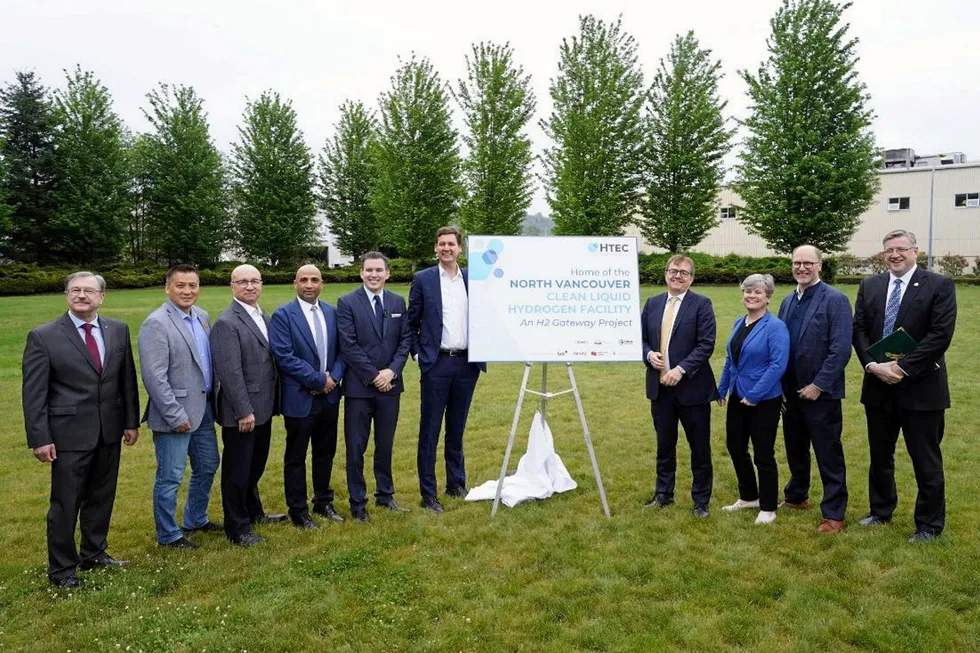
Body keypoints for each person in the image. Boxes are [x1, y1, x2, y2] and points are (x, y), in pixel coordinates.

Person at [22, 272, 140, 588]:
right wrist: (40, 437)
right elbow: (34, 393)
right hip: (67, 435)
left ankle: (94, 553)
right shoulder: (43, 336)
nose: (82, 295)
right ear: (66, 295)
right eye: (75, 290)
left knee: (101, 496)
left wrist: (130, 421)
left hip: (110, 430)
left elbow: (126, 380)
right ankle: (61, 569)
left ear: (102, 296)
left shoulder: (118, 330)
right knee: (65, 503)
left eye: (89, 290)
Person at [852, 229, 956, 543]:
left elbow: (940, 335)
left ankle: (929, 525)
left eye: (901, 249)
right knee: (880, 455)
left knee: (925, 459)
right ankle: (880, 511)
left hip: (921, 388)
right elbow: (859, 330)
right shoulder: (870, 285)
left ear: (915, 251)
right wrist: (872, 365)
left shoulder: (938, 285)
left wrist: (901, 367)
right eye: (889, 250)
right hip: (878, 386)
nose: (895, 255)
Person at [139, 264, 220, 549]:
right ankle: (168, 534)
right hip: (175, 414)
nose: (187, 291)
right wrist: (175, 416)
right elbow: (153, 376)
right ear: (167, 288)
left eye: (193, 285)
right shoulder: (156, 323)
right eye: (181, 285)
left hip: (204, 409)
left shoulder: (202, 317)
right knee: (171, 476)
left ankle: (196, 519)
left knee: (208, 464)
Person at [407, 226, 486, 513]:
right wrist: (419, 356)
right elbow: (410, 323)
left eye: (451, 244)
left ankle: (456, 483)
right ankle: (428, 493)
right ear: (435, 248)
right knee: (430, 430)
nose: (446, 248)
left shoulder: (472, 278)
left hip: (467, 364)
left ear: (459, 248)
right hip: (436, 364)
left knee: (456, 428)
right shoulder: (423, 280)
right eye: (441, 244)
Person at [210, 265, 287, 547]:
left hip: (263, 406)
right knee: (238, 471)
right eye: (242, 282)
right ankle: (237, 528)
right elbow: (229, 372)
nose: (250, 286)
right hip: (243, 412)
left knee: (255, 465)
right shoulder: (227, 323)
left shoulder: (260, 315)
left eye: (255, 281)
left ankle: (255, 513)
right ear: (232, 286)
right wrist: (243, 410)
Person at [777, 245, 852, 534]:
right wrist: (780, 386)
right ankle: (797, 496)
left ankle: (834, 513)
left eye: (808, 263)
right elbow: (781, 345)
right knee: (795, 449)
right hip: (790, 392)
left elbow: (841, 348)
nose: (802, 268)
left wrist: (819, 385)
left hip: (820, 393)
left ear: (820, 265)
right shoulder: (787, 301)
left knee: (828, 453)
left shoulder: (835, 299)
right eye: (797, 263)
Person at [336, 252, 413, 522]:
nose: (374, 275)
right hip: (359, 389)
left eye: (379, 270)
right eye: (369, 270)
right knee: (356, 447)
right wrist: (374, 375)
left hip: (390, 387)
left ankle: (385, 495)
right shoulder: (346, 303)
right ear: (361, 273)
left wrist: (391, 371)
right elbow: (348, 345)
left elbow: (405, 341)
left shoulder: (396, 301)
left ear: (387, 273)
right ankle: (358, 503)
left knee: (385, 444)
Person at [640, 255, 718, 518]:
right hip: (660, 389)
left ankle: (701, 500)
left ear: (691, 278)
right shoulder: (652, 303)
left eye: (684, 273)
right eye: (673, 271)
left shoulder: (701, 304)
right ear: (666, 274)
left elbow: (706, 344)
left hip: (692, 389)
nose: (678, 276)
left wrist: (681, 369)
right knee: (664, 445)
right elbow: (640, 340)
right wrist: (649, 354)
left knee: (699, 448)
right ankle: (664, 495)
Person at [269, 264, 346, 529]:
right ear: (295, 283)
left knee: (325, 453)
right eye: (304, 280)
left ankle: (323, 501)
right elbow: (284, 356)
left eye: (314, 280)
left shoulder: (332, 313)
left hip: (329, 397)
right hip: (300, 399)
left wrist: (333, 377)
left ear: (322, 283)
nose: (309, 284)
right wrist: (318, 379)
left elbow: (342, 351)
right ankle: (298, 511)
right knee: (296, 457)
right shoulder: (283, 316)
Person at [717, 274, 789, 525]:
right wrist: (722, 387)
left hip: (764, 399)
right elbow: (731, 359)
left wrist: (755, 395)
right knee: (735, 447)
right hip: (738, 395)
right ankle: (749, 497)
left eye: (758, 292)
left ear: (768, 297)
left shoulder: (775, 327)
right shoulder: (740, 322)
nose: (751, 295)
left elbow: (778, 364)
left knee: (763, 454)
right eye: (748, 291)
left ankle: (768, 506)